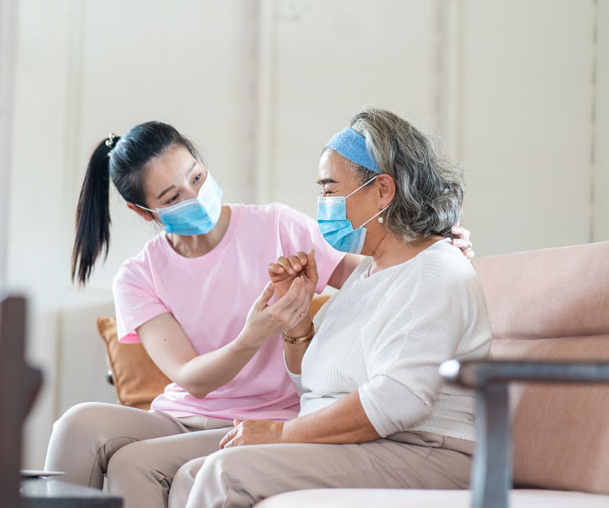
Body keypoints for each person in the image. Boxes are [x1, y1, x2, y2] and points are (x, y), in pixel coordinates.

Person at [44, 121, 472, 508]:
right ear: (143, 211)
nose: (195, 196)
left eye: (196, 177)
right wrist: (259, 332)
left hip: (271, 414)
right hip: (181, 416)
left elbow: (376, 273)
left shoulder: (278, 226)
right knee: (76, 424)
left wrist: (432, 245)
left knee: (132, 464)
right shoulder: (139, 275)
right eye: (173, 196)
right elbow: (191, 378)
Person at [168, 108, 492, 508]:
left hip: (427, 450)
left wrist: (279, 434)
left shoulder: (434, 268)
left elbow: (398, 400)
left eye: (330, 188)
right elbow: (311, 384)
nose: (322, 202)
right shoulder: (369, 272)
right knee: (191, 475)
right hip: (374, 443)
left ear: (383, 191)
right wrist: (297, 317)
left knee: (224, 474)